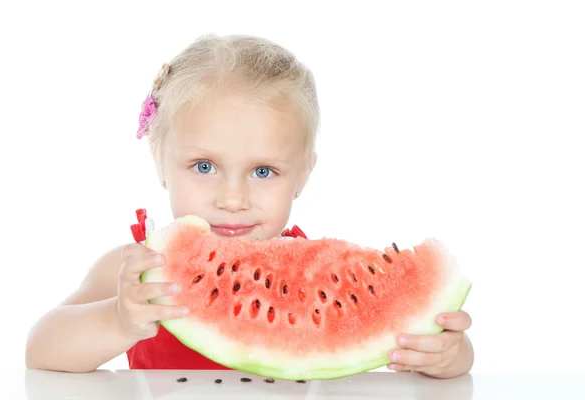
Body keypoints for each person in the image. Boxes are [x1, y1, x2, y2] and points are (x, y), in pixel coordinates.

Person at [25, 34, 474, 379]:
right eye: (204, 166)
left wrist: (449, 354)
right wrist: (119, 319)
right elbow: (41, 349)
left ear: (302, 174)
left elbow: (435, 346)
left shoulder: (318, 274)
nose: (233, 199)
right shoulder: (136, 270)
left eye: (263, 172)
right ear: (159, 161)